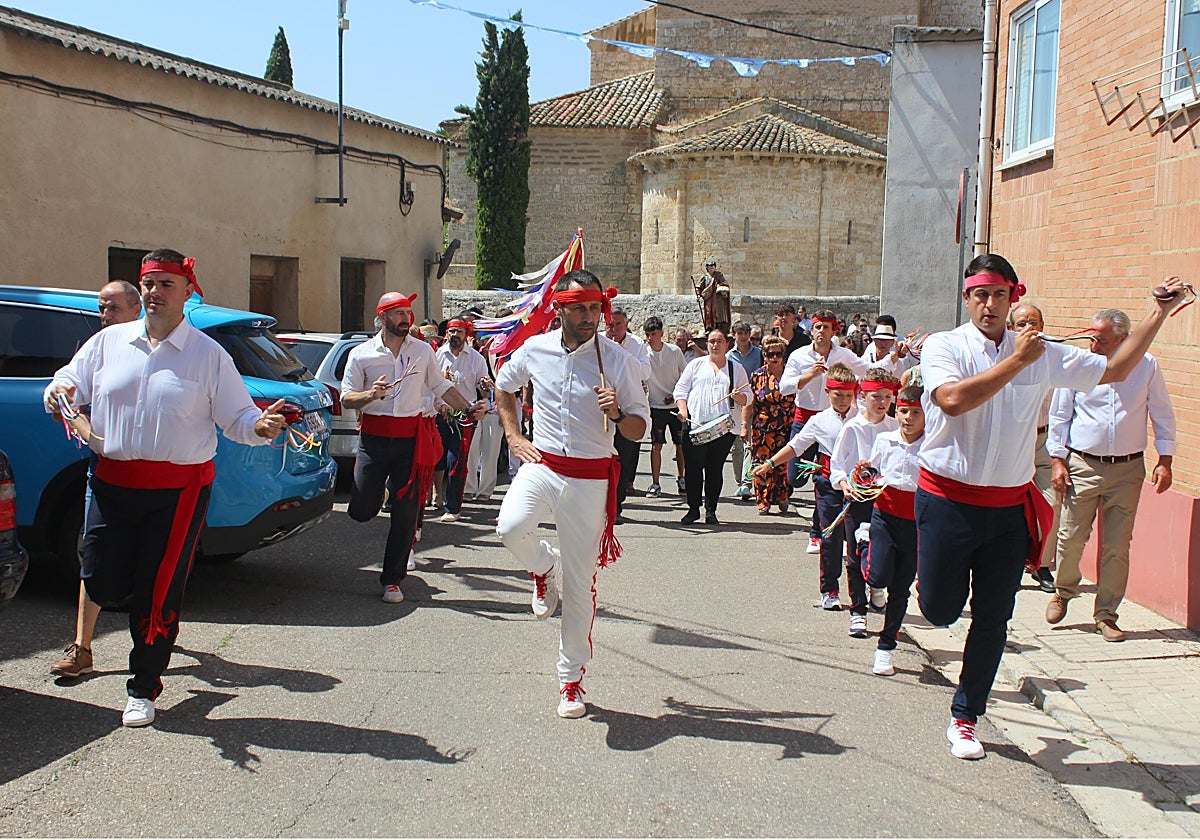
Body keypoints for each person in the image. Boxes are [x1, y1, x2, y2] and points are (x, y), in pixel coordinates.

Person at [917, 254, 1184, 761]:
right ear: (967, 298)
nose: (990, 305)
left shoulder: (1046, 353)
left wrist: (1157, 313)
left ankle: (966, 717)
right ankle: (927, 582)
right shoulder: (945, 346)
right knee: (939, 610)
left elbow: (1117, 368)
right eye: (980, 295)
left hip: (1007, 508)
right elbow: (951, 401)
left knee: (995, 616)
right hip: (947, 501)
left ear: (1013, 296)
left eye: (1000, 295)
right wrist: (1017, 361)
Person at [45, 249, 287, 727]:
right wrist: (58, 392)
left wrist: (259, 427)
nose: (155, 293)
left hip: (178, 492)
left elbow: (237, 417)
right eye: (149, 284)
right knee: (101, 578)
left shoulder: (208, 354)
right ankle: (123, 640)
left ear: (186, 292)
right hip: (112, 482)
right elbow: (69, 381)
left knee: (158, 592)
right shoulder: (108, 342)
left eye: (165, 285)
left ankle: (143, 685)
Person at [494, 270, 649, 718]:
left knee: (582, 587)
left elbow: (639, 429)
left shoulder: (617, 360)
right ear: (559, 309)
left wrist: (618, 413)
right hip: (542, 465)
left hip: (589, 480)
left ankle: (570, 681)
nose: (589, 317)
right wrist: (512, 435)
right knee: (509, 527)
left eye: (595, 308)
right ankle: (544, 567)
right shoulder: (536, 349)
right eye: (579, 308)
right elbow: (504, 386)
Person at [1045, 308, 1176, 642]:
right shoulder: (1080, 365)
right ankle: (1064, 591)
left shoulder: (1146, 366)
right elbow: (1061, 413)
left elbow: (1161, 411)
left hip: (1128, 469)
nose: (1092, 344)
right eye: (1091, 337)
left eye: (1100, 339)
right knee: (1071, 537)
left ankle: (1106, 614)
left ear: (1123, 339)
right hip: (1083, 465)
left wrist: (1166, 459)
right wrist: (1058, 460)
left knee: (1117, 546)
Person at [342, 292, 479, 604]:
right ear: (383, 317)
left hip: (411, 441)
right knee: (362, 510)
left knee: (406, 515)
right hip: (374, 441)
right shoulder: (362, 354)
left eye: (408, 312)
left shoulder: (422, 350)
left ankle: (392, 580)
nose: (406, 318)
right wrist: (369, 395)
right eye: (399, 313)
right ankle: (378, 493)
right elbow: (346, 398)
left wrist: (468, 408)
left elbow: (441, 386)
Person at [49, 280, 143, 680]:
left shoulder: (163, 350)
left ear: (138, 310)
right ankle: (82, 646)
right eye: (102, 308)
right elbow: (66, 394)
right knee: (94, 553)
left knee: (150, 562)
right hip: (106, 472)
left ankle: (152, 645)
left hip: (161, 478)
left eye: (114, 308)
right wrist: (69, 408)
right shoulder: (98, 348)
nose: (105, 316)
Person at [755, 363, 859, 610]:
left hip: (859, 485)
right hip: (827, 481)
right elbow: (796, 446)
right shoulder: (819, 421)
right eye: (838, 394)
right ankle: (830, 590)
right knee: (830, 537)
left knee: (860, 538)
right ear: (827, 392)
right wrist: (770, 463)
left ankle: (865, 589)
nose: (843, 400)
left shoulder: (863, 417)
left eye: (848, 395)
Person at [780, 310, 867, 553]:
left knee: (826, 480)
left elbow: (867, 370)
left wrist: (894, 359)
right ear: (812, 330)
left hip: (833, 423)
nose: (821, 331)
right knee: (795, 478)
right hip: (805, 419)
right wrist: (809, 375)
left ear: (834, 331)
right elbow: (784, 387)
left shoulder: (843, 355)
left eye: (826, 327)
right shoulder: (799, 356)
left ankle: (817, 533)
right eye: (818, 327)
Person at [830, 368, 900, 638]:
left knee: (883, 553)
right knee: (855, 555)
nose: (881, 403)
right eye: (875, 397)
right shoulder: (852, 427)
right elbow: (837, 466)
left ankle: (878, 585)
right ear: (863, 397)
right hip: (857, 500)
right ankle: (858, 611)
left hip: (885, 502)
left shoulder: (895, 427)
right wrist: (845, 484)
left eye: (886, 397)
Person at [863, 383, 925, 676]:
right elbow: (872, 471)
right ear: (895, 411)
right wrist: (863, 472)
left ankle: (886, 648)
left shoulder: (932, 446)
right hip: (884, 516)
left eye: (915, 412)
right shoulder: (884, 440)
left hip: (915, 523)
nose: (908, 418)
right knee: (878, 576)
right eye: (903, 411)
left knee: (900, 588)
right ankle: (864, 547)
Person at [674, 328, 751, 525]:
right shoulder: (695, 365)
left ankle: (711, 510)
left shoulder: (736, 369)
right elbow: (681, 391)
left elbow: (747, 397)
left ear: (727, 344)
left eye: (719, 341)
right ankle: (693, 509)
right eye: (711, 341)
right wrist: (683, 411)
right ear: (706, 344)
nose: (715, 345)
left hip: (723, 430)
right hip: (695, 425)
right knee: (693, 469)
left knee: (714, 470)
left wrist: (737, 396)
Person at [1009, 303, 1059, 593]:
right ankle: (1013, 563)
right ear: (1012, 328)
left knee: (1052, 503)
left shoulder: (1053, 357)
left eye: (1035, 322)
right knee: (1014, 508)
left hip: (1046, 440)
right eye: (1022, 323)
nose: (1029, 328)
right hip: (1017, 440)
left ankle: (1042, 565)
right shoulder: (1005, 359)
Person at [433, 318, 490, 523]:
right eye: (452, 331)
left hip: (463, 416)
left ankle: (453, 507)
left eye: (459, 331)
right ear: (446, 334)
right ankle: (433, 499)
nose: (455, 335)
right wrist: (440, 406)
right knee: (435, 459)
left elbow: (483, 389)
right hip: (439, 413)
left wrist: (485, 387)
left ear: (466, 335)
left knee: (455, 461)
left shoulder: (476, 359)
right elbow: (430, 386)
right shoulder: (437, 356)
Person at [606, 306, 652, 519]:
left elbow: (645, 371)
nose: (613, 328)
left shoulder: (637, 345)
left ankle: (616, 504)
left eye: (617, 324)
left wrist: (621, 354)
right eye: (610, 324)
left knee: (623, 458)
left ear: (626, 324)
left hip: (627, 408)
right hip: (602, 408)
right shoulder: (598, 341)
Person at [744, 336, 793, 514]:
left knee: (782, 464)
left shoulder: (791, 374)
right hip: (762, 427)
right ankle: (763, 500)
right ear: (764, 355)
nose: (774, 358)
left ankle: (782, 495)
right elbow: (749, 402)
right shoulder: (757, 376)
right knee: (761, 463)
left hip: (786, 426)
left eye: (778, 354)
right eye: (770, 354)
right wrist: (744, 424)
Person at [643, 316, 687, 498]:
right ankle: (655, 483)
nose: (650, 338)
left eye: (653, 334)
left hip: (675, 405)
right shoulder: (644, 354)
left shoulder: (675, 351)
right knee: (656, 445)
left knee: (680, 444)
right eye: (647, 334)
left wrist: (676, 394)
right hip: (655, 406)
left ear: (661, 333)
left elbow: (685, 376)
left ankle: (681, 478)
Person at [727, 321, 764, 499]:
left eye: (745, 332)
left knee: (750, 443)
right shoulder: (728, 357)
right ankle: (738, 478)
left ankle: (746, 481)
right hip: (736, 404)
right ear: (734, 334)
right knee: (737, 446)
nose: (742, 336)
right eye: (739, 332)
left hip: (755, 403)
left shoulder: (759, 353)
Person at [464, 342, 503, 503]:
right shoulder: (473, 356)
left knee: (491, 449)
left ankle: (486, 489)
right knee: (471, 449)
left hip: (494, 407)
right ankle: (468, 487)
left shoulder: (506, 355)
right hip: (474, 406)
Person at [696, 259, 732, 333]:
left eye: (712, 266)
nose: (711, 268)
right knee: (709, 313)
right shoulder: (704, 277)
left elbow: (724, 284)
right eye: (710, 267)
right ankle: (709, 328)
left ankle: (720, 328)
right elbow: (699, 287)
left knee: (719, 313)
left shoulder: (719, 275)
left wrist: (723, 290)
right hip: (708, 298)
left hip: (718, 299)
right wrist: (698, 295)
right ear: (707, 268)